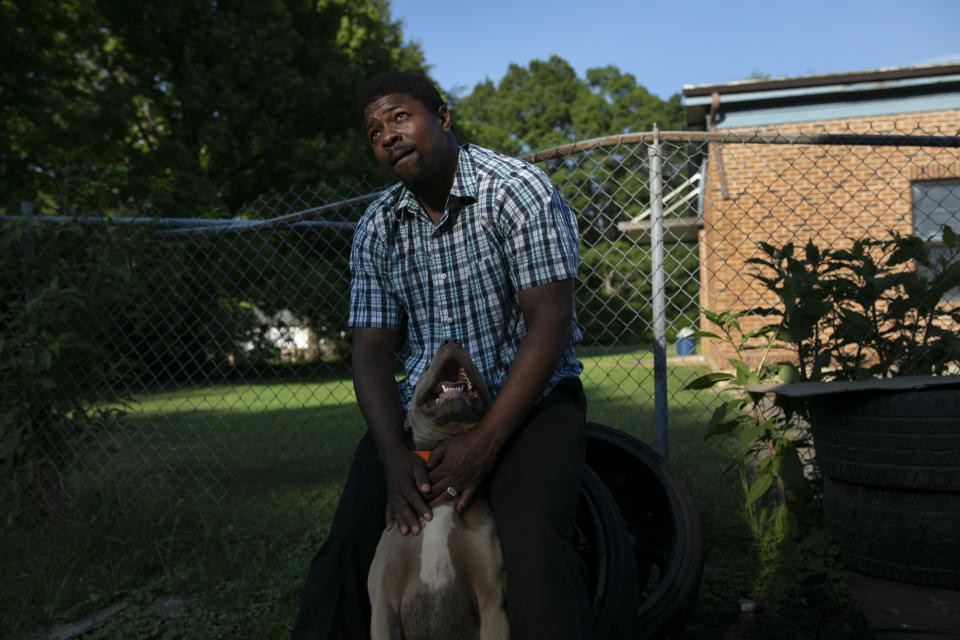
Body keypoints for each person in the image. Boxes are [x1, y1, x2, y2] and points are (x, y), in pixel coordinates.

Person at [293, 70, 589, 640]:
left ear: (443, 118)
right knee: (347, 548)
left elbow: (549, 323)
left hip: (527, 403)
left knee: (533, 548)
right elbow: (372, 353)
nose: (388, 135)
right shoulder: (377, 228)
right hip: (423, 422)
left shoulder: (516, 189)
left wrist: (486, 443)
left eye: (400, 116)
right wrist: (392, 456)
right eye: (375, 130)